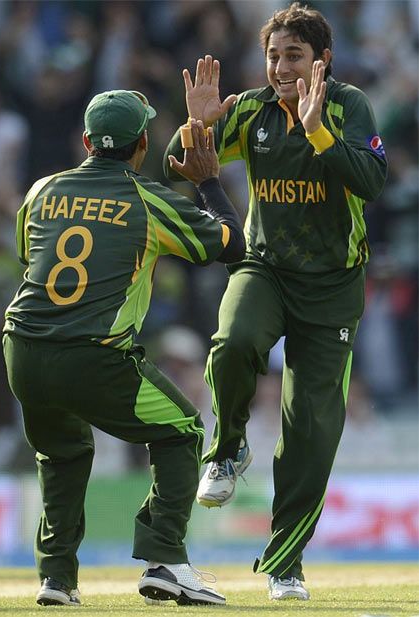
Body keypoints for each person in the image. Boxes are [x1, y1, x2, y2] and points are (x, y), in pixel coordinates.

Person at [164, 2, 387, 602]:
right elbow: (177, 164)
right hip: (265, 267)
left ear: (323, 59)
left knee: (311, 429)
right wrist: (199, 128)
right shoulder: (253, 110)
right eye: (273, 56)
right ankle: (229, 446)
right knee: (233, 342)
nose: (281, 67)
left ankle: (285, 564)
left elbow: (371, 182)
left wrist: (317, 131)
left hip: (333, 286)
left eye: (293, 55)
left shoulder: (348, 107)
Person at [3, 89, 246, 607]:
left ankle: (57, 579)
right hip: (91, 352)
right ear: (142, 145)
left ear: (87, 141)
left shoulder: (43, 189)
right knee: (182, 430)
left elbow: (29, 253)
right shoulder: (146, 197)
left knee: (62, 453)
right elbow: (230, 245)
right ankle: (166, 560)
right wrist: (206, 181)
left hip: (23, 348)